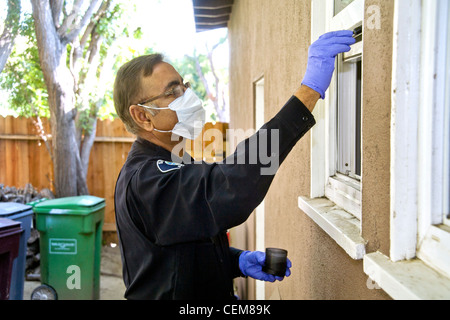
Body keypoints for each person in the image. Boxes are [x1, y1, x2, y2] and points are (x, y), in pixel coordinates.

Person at [113, 30, 356, 300]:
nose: (187, 95)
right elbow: (232, 184)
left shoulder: (174, 161)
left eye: (185, 86)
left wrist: (235, 262)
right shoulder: (148, 180)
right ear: (142, 116)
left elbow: (177, 253)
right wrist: (307, 93)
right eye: (173, 92)